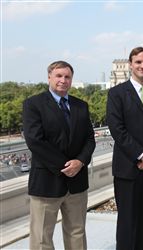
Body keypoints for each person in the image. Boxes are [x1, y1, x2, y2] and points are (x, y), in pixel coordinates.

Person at [22, 61, 96, 249]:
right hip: (47, 181)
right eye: (59, 76)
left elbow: (89, 139)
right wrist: (65, 166)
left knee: (77, 233)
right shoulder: (33, 104)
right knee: (41, 238)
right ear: (49, 77)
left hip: (77, 182)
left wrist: (80, 162)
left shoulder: (81, 106)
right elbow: (35, 141)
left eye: (67, 77)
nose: (63, 80)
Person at [106, 46, 143, 250]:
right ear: (130, 64)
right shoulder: (116, 93)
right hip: (127, 168)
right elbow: (117, 129)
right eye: (138, 62)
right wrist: (141, 155)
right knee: (127, 222)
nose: (142, 66)